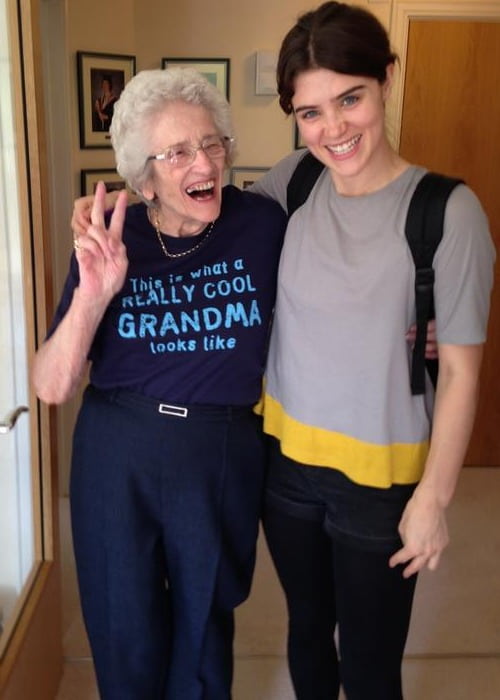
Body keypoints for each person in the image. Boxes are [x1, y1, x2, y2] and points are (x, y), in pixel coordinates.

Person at [247, 2, 495, 699]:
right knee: (306, 630)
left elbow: (463, 372)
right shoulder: (292, 181)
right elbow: (208, 223)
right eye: (311, 111)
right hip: (285, 467)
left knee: (370, 661)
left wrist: (435, 499)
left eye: (349, 98)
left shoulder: (446, 212)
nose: (334, 129)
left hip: (382, 485)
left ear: (386, 78)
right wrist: (135, 200)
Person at [33, 67, 287, 700]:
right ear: (143, 175)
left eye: (213, 142)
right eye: (177, 152)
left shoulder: (263, 224)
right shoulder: (108, 237)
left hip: (218, 449)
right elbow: (51, 384)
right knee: (124, 628)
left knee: (204, 630)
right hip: (119, 447)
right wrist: (94, 295)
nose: (203, 162)